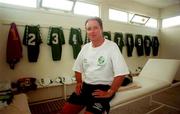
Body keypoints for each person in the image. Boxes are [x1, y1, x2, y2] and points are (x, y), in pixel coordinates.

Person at [61, 17, 129, 114]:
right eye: (89, 29)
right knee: (64, 112)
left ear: (101, 29)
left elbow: (121, 73)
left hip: (102, 88)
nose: (92, 31)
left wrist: (111, 91)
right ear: (86, 31)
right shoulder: (85, 48)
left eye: (95, 28)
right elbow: (77, 67)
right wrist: (79, 82)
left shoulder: (111, 46)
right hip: (86, 87)